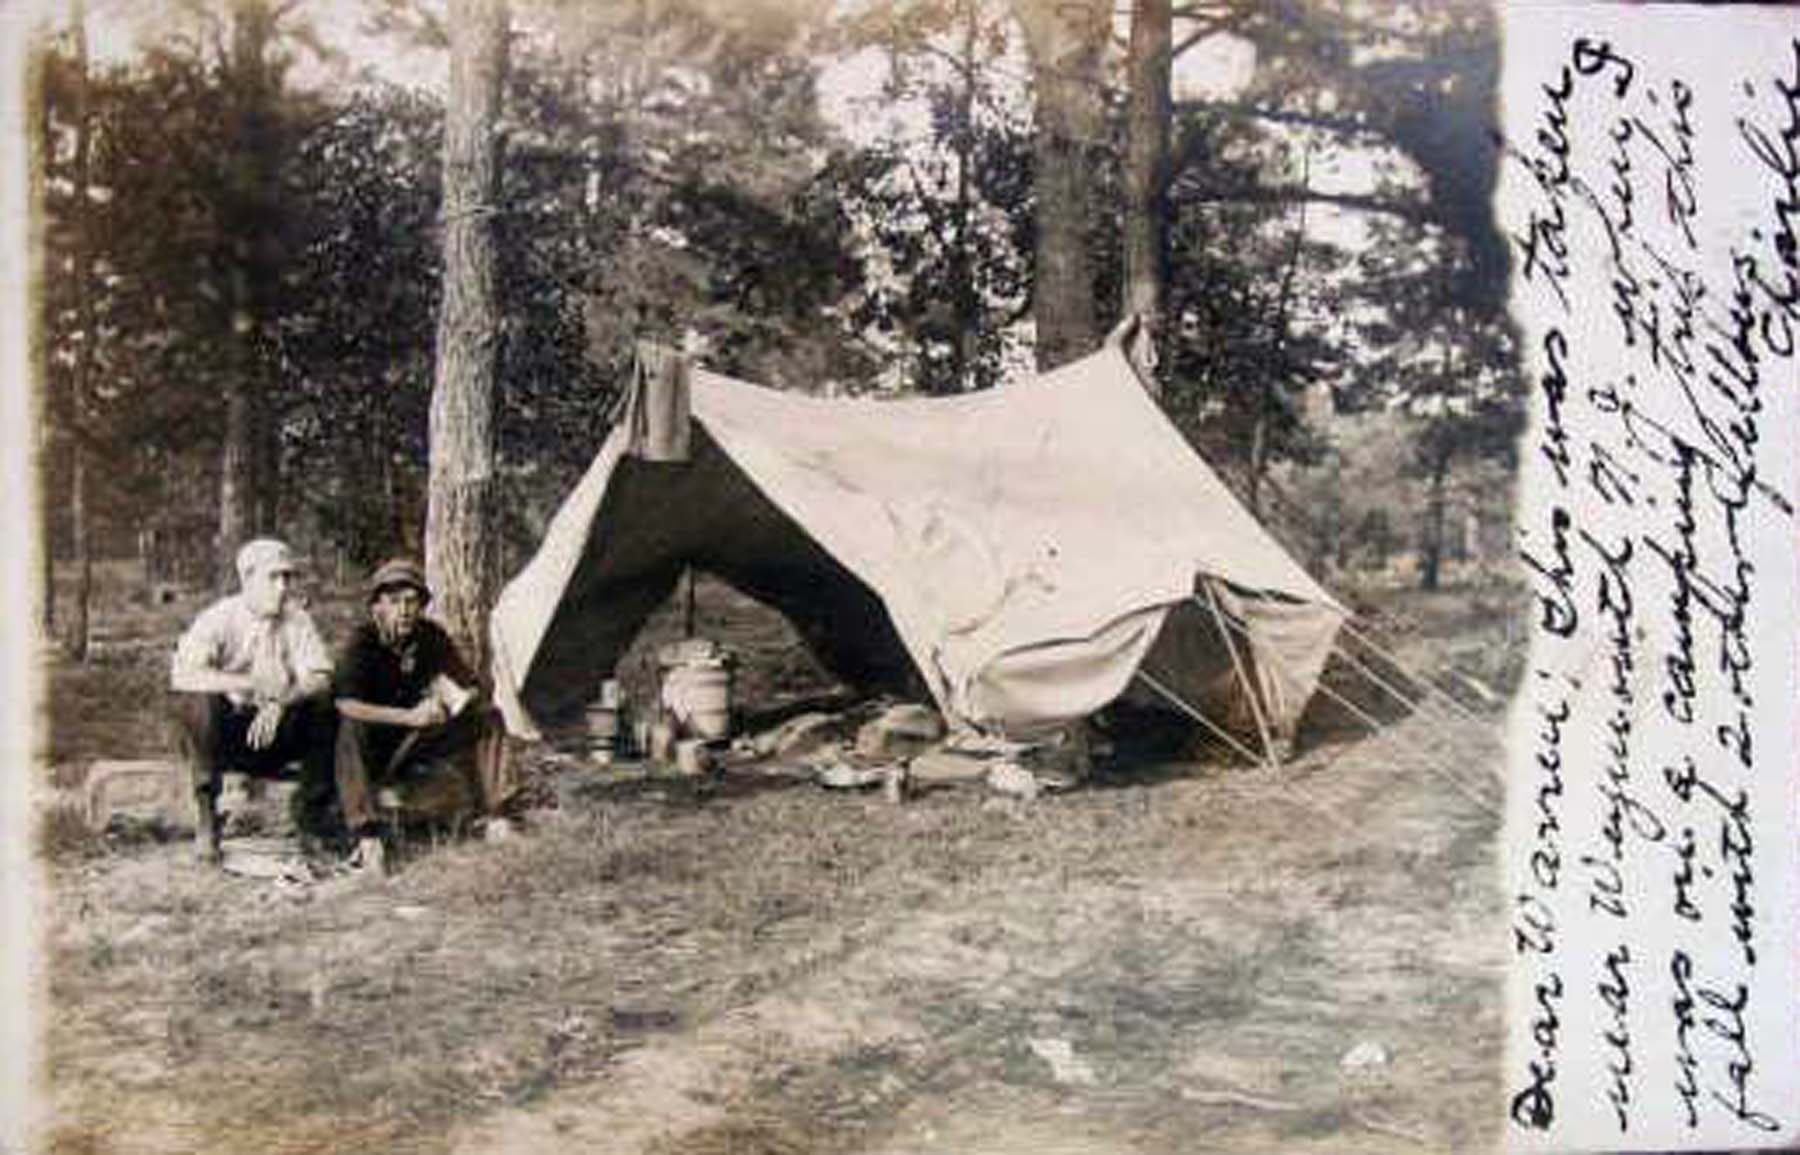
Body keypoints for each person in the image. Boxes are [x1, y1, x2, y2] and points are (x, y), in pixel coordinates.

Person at [170, 538, 338, 866]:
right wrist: (249, 684)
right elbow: (184, 674)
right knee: (198, 702)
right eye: (273, 577)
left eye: (287, 577)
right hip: (228, 734)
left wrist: (281, 701)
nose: (282, 587)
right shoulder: (219, 618)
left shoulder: (297, 619)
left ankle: (310, 818)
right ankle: (207, 816)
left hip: (278, 731)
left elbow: (320, 676)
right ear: (247, 578)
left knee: (325, 703)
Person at [333, 559, 499, 874]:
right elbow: (346, 704)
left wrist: (448, 700)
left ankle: (498, 812)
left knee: (487, 716)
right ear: (377, 607)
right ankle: (367, 835)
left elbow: (469, 685)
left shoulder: (429, 636)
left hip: (417, 742)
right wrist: (410, 717)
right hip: (373, 747)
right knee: (350, 728)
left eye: (412, 601)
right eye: (395, 601)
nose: (405, 610)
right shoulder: (362, 642)